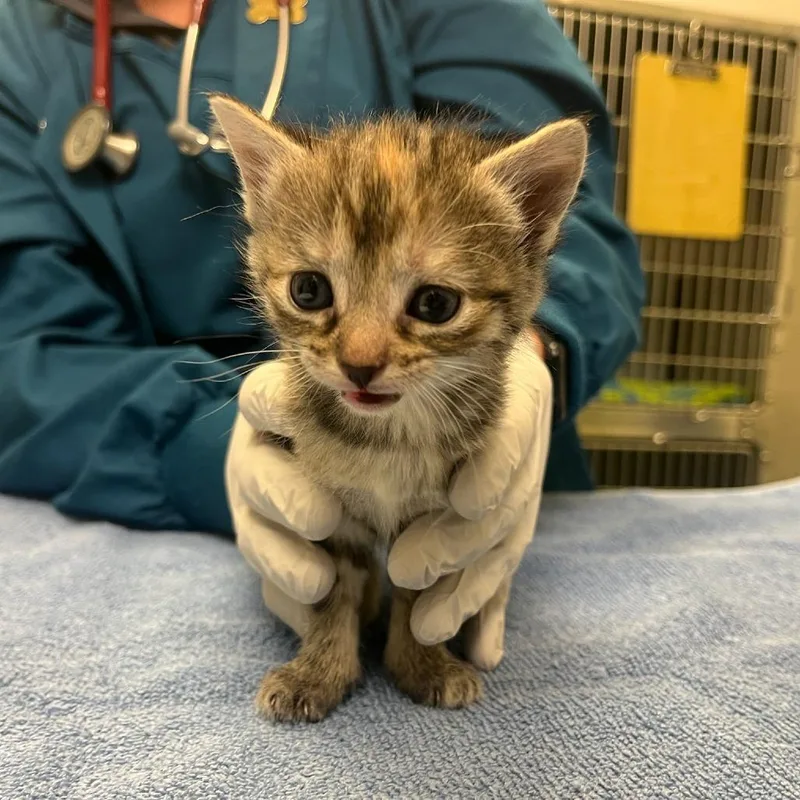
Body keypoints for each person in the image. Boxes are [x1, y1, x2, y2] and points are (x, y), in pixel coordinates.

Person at [0, 0, 643, 664]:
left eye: (431, 300)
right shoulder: (17, 47)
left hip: (492, 472)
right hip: (178, 505)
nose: (361, 356)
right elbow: (20, 359)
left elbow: (583, 219)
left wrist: (538, 350)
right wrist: (211, 444)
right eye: (312, 292)